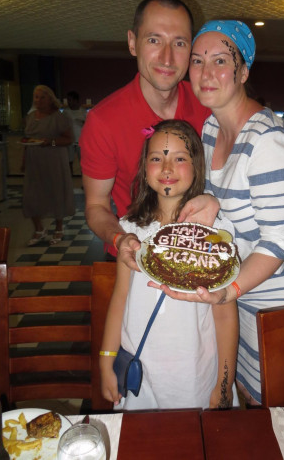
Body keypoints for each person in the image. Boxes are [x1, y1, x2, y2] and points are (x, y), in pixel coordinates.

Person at [147, 21, 284, 406]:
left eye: (220, 61)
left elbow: (280, 240)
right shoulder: (211, 129)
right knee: (248, 392)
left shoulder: (269, 139)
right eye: (197, 61)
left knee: (280, 403)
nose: (206, 73)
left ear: (243, 71)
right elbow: (227, 193)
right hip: (242, 286)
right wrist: (211, 202)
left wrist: (227, 291)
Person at [99, 119, 239, 410]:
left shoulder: (214, 235)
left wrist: (224, 383)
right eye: (156, 158)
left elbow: (225, 315)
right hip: (140, 370)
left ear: (197, 166)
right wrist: (105, 359)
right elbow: (120, 297)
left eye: (179, 158)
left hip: (194, 373)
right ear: (144, 167)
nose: (166, 168)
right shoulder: (130, 232)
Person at [79, 0, 214, 260]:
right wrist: (120, 238)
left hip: (199, 254)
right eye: (154, 40)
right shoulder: (103, 121)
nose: (167, 58)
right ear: (132, 43)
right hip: (132, 256)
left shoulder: (209, 108)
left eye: (179, 43)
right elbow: (96, 205)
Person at [23, 85, 75, 245]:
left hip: (53, 159)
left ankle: (59, 228)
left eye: (42, 97)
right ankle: (39, 228)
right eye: (36, 97)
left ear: (50, 99)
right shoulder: (30, 117)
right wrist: (23, 160)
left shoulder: (59, 117)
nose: (38, 100)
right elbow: (27, 140)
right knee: (31, 194)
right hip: (34, 159)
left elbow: (69, 139)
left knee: (55, 192)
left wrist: (50, 142)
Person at [63, 90, 87, 175]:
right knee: (69, 160)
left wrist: (83, 123)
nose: (68, 102)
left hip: (81, 141)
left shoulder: (83, 112)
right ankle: (70, 176)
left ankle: (84, 178)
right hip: (70, 140)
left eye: (70, 100)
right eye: (68, 100)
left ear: (76, 100)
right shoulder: (66, 112)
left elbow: (88, 126)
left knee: (83, 162)